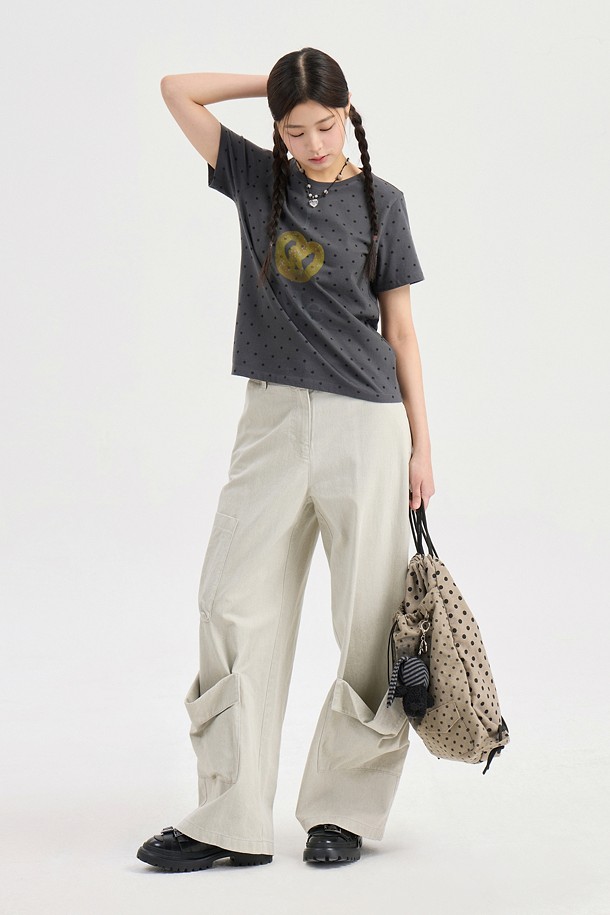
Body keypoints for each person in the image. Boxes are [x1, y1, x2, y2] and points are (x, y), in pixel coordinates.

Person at [137, 47, 435, 872]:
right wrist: (265, 87)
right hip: (271, 420)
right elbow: (176, 91)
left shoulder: (383, 204)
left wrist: (422, 445)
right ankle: (227, 815)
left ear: (349, 113)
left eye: (326, 126)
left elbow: (402, 332)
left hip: (367, 424)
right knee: (229, 599)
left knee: (368, 620)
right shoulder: (255, 178)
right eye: (295, 130)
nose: (312, 144)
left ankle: (341, 810)